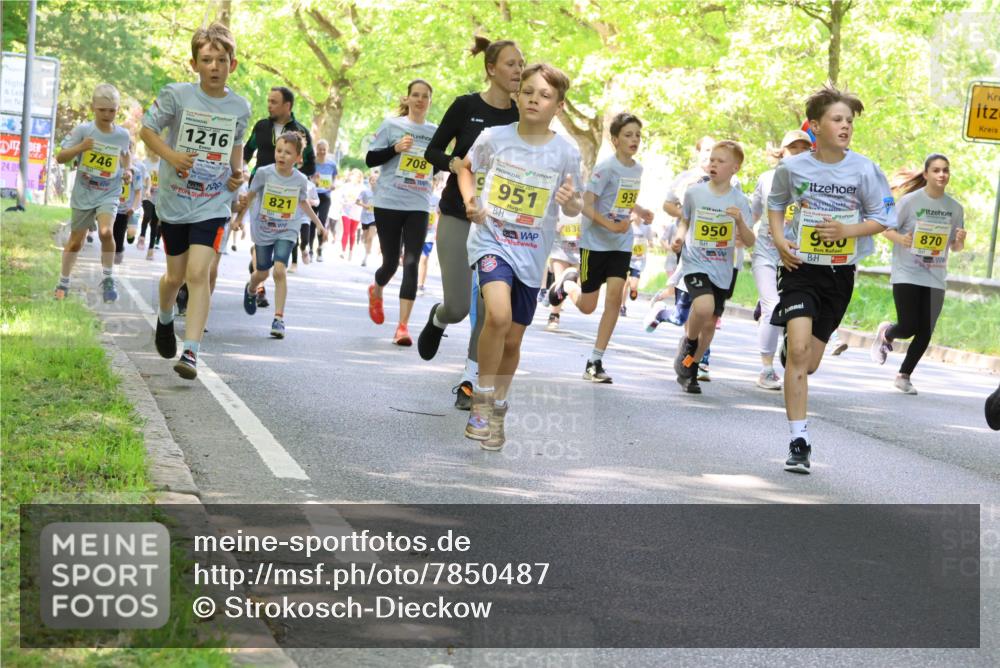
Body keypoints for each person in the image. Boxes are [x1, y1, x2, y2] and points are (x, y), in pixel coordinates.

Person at [768, 84, 897, 473]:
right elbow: (776, 205)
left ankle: (793, 352)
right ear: (816, 126)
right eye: (837, 119)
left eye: (849, 121)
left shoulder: (863, 168)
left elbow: (883, 218)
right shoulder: (792, 168)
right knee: (800, 352)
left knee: (809, 362)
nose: (845, 127)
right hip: (799, 269)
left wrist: (847, 231)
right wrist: (779, 241)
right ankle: (799, 441)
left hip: (839, 274)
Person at [459, 62, 582, 450]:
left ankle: (498, 406)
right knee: (497, 315)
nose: (534, 99)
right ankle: (480, 400)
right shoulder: (494, 137)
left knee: (512, 340)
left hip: (532, 252)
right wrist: (471, 201)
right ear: (517, 94)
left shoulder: (566, 152)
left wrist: (571, 201)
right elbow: (465, 168)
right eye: (528, 91)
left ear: (558, 106)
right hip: (491, 239)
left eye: (545, 95)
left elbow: (576, 205)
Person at [417, 37, 524, 411]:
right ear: (491, 69)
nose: (518, 71)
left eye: (521, 64)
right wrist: (454, 164)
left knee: (492, 307)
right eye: (511, 64)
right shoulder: (466, 107)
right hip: (457, 214)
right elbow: (432, 150)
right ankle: (438, 317)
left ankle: (469, 379)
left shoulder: (521, 115)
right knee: (461, 306)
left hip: (499, 226)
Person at [140, 21, 251, 380]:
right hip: (174, 200)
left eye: (221, 59)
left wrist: (238, 175)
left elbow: (236, 154)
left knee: (198, 272)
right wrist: (172, 157)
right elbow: (147, 130)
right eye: (207, 60)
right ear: (194, 64)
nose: (214, 67)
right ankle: (165, 317)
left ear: (232, 64)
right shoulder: (177, 95)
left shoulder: (240, 107)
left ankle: (191, 351)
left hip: (213, 202)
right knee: (174, 278)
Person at [548, 113, 654, 383]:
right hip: (595, 244)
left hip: (621, 243)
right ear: (615, 139)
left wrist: (640, 210)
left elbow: (622, 199)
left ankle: (595, 361)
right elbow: (587, 203)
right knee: (587, 307)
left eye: (638, 135)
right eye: (628, 135)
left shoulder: (637, 169)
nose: (634, 140)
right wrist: (609, 225)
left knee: (614, 299)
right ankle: (567, 284)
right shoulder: (605, 168)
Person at [870, 154, 965, 394]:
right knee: (908, 326)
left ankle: (904, 375)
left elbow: (955, 246)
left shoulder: (955, 208)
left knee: (926, 329)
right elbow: (886, 229)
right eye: (936, 170)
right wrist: (902, 238)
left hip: (935, 275)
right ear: (926, 174)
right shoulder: (910, 202)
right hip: (907, 272)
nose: (941, 175)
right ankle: (887, 332)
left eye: (945, 170)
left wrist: (960, 241)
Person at [670, 140, 754, 394]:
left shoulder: (740, 200)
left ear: (735, 168)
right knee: (703, 308)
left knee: (710, 324)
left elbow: (749, 242)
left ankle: (690, 367)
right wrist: (680, 236)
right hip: (695, 261)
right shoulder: (695, 193)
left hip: (722, 269)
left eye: (720, 161)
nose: (713, 164)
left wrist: (739, 222)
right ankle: (689, 342)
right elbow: (685, 221)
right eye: (712, 160)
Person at [364, 79, 439, 346]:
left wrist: (430, 173)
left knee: (411, 262)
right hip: (388, 201)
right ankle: (377, 287)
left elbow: (437, 164)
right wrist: (395, 149)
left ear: (430, 101)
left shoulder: (435, 131)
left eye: (425, 96)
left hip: (418, 203)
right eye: (415, 95)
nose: (420, 100)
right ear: (407, 99)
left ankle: (403, 327)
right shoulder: (391, 125)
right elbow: (371, 159)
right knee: (391, 262)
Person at [236, 132, 324, 338]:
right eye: (279, 151)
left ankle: (279, 319)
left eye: (288, 152)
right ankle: (251, 288)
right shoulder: (264, 173)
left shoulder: (301, 180)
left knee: (279, 271)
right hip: (264, 228)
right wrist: (238, 218)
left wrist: (319, 224)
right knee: (262, 273)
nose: (282, 155)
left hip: (287, 228)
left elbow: (303, 203)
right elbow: (251, 196)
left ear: (298, 158)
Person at [54, 83, 132, 302]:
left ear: (118, 109)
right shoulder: (83, 131)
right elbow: (61, 157)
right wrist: (81, 148)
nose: (107, 115)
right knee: (75, 242)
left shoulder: (122, 135)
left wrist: (127, 171)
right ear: (93, 108)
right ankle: (63, 281)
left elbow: (126, 156)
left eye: (112, 110)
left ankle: (108, 277)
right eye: (102, 110)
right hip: (84, 193)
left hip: (109, 191)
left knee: (107, 232)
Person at [749, 129, 812, 390]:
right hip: (766, 252)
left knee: (790, 310)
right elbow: (752, 214)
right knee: (772, 305)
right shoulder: (767, 179)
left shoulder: (814, 181)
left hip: (797, 256)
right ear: (782, 153)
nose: (798, 152)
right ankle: (766, 369)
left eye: (804, 148)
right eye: (792, 148)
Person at [544, 212, 582, 331]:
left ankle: (550, 293)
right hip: (560, 248)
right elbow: (545, 218)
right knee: (561, 280)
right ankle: (554, 316)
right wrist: (553, 225)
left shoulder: (589, 201)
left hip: (579, 251)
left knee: (568, 283)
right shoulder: (558, 202)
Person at [112, 141, 144, 265]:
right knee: (107, 235)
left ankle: (118, 251)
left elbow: (137, 192)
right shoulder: (111, 166)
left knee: (118, 239)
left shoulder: (136, 172)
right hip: (109, 206)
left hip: (124, 210)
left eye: (129, 151)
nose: (125, 154)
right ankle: (107, 262)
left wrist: (133, 208)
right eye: (122, 151)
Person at [623, 214, 655, 317]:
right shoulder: (628, 225)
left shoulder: (646, 227)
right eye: (633, 213)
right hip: (627, 257)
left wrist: (650, 245)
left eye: (637, 214)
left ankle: (634, 290)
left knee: (633, 285)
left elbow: (650, 241)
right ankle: (622, 307)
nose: (635, 216)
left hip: (638, 260)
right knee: (625, 283)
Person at [312, 138, 337, 262]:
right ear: (316, 149)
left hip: (325, 196)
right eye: (320, 149)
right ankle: (310, 249)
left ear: (327, 150)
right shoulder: (312, 163)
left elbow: (334, 178)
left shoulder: (332, 164)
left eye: (324, 150)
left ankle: (320, 249)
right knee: (312, 222)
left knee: (321, 222)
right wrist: (313, 180)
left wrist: (333, 185)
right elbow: (307, 178)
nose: (322, 151)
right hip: (313, 196)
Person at [138, 148, 160, 258]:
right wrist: (148, 186)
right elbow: (140, 178)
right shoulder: (145, 163)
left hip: (159, 197)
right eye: (154, 149)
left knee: (155, 223)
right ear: (150, 150)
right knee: (147, 215)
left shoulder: (163, 164)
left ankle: (151, 249)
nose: (155, 152)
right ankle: (142, 236)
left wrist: (158, 186)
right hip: (147, 195)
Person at [358, 170, 377, 265]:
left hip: (375, 217)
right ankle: (365, 250)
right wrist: (365, 206)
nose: (375, 182)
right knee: (365, 238)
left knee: (370, 237)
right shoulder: (365, 192)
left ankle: (366, 258)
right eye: (373, 180)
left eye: (377, 180)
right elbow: (357, 201)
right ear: (370, 181)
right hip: (365, 216)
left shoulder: (381, 193)